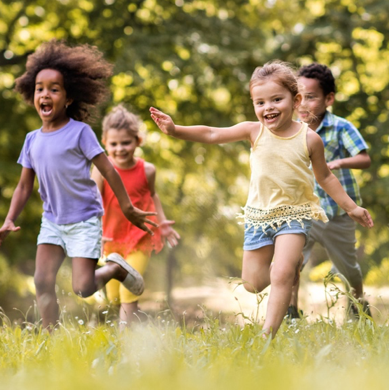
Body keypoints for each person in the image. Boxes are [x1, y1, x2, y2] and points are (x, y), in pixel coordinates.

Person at [149, 60, 374, 337]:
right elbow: (211, 133)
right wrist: (175, 130)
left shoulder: (310, 139)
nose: (268, 108)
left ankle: (267, 335)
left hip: (295, 215)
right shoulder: (253, 131)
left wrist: (351, 208)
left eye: (277, 99)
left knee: (281, 275)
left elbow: (325, 177)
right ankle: (286, 269)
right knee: (252, 284)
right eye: (260, 102)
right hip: (259, 216)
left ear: (296, 99)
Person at [0, 40, 157, 330]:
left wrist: (128, 207)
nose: (45, 94)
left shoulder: (80, 132)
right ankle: (50, 337)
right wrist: (8, 219)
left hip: (83, 220)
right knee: (42, 281)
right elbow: (23, 187)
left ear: (68, 98)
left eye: (54, 89)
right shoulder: (31, 140)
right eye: (39, 89)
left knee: (82, 288)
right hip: (52, 220)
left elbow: (109, 170)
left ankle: (115, 268)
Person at [288, 63, 372, 320]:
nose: (303, 105)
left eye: (311, 98)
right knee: (290, 263)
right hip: (302, 212)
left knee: (349, 269)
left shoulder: (340, 127)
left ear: (329, 99)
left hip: (337, 213)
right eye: (298, 98)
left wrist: (338, 163)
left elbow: (364, 158)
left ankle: (358, 310)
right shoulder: (290, 130)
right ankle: (290, 313)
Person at [92, 104, 180, 328]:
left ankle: (126, 342)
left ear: (138, 141)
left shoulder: (147, 170)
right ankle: (128, 327)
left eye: (126, 142)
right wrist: (93, 232)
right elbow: (92, 202)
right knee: (113, 298)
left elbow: (153, 195)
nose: (120, 148)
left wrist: (163, 224)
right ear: (105, 142)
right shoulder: (102, 170)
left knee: (128, 290)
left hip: (139, 239)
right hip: (110, 241)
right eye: (114, 144)